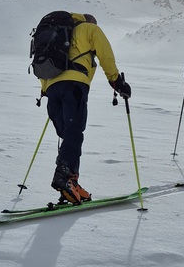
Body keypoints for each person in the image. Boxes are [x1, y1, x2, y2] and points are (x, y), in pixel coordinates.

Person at [39, 12, 130, 204]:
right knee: (74, 133)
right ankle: (65, 177)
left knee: (68, 135)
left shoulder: (57, 33)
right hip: (74, 85)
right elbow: (105, 54)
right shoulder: (89, 28)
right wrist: (116, 81)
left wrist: (47, 89)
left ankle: (71, 181)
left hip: (52, 88)